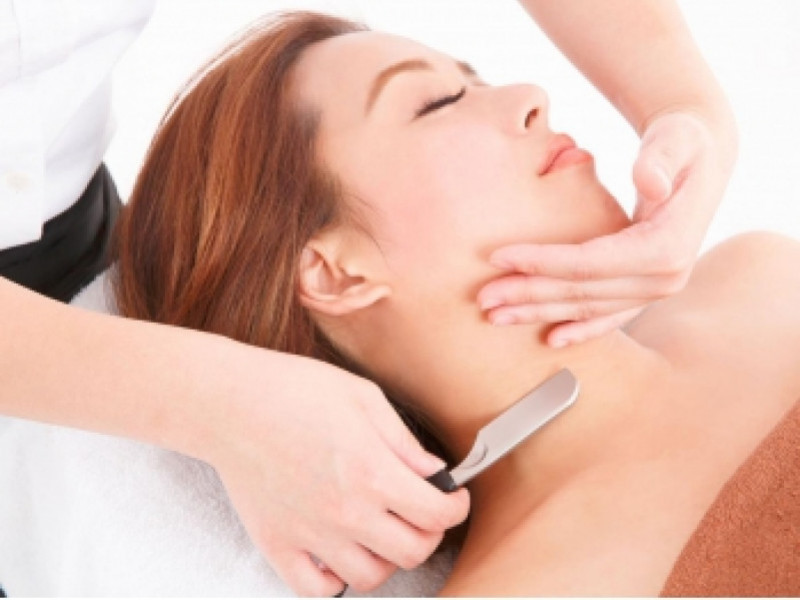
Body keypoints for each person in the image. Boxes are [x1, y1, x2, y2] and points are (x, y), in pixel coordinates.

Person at [0, 1, 737, 595]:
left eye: (475, 79)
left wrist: (685, 103)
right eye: (440, 101)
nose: (532, 96)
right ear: (335, 272)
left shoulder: (752, 278)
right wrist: (213, 399)